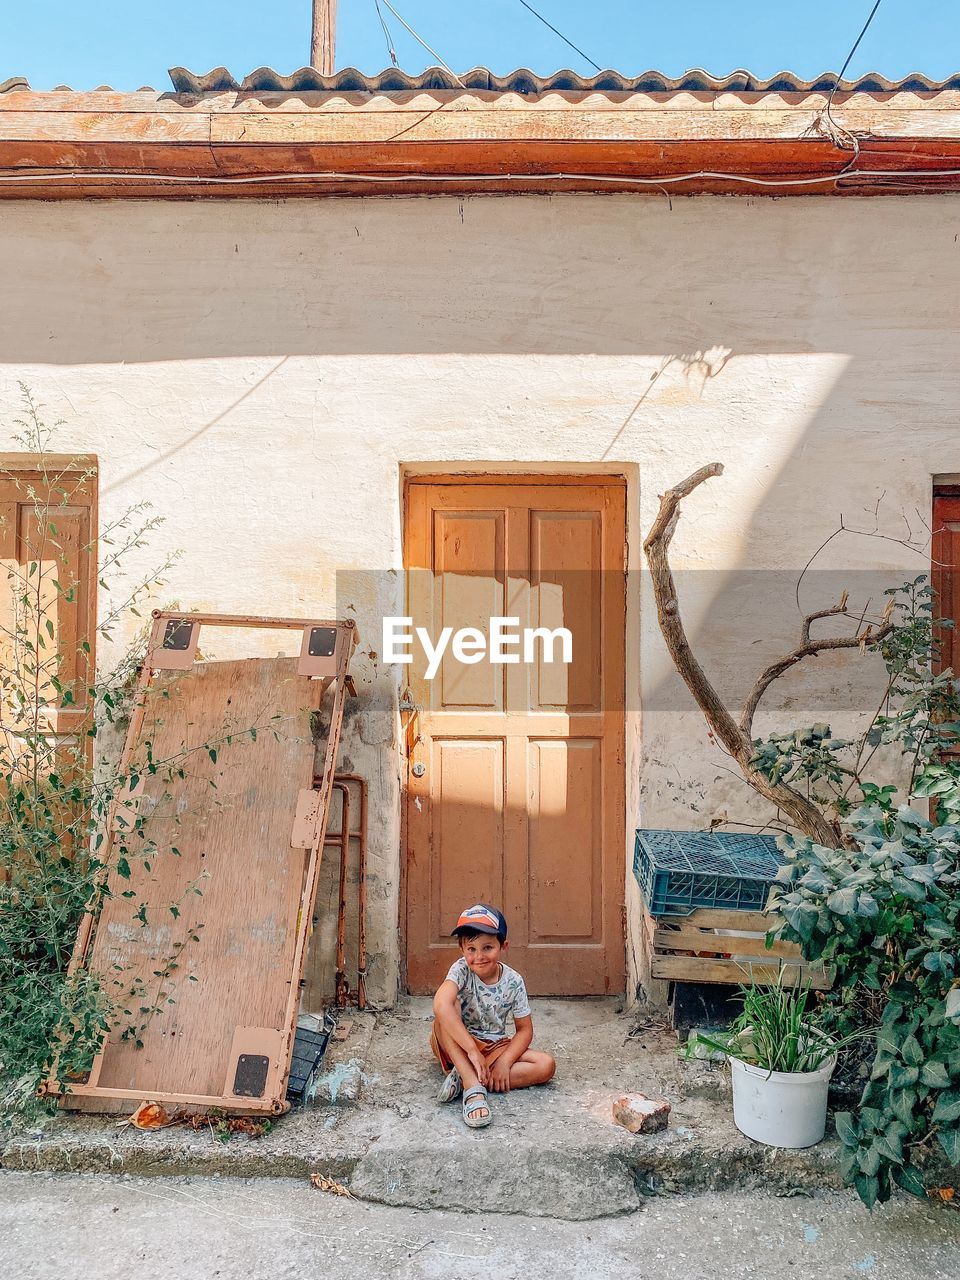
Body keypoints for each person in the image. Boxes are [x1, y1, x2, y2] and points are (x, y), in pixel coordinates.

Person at [431, 903, 556, 1129]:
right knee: (448, 1008)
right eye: (471, 949)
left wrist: (505, 1063)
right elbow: (440, 1004)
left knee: (545, 1065)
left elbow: (525, 1030)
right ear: (462, 949)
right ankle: (471, 1086)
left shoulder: (514, 981)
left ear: (503, 946)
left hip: (494, 1047)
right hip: (457, 1044)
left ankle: (469, 1075)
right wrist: (470, 1049)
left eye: (487, 947)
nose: (479, 956)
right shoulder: (460, 970)